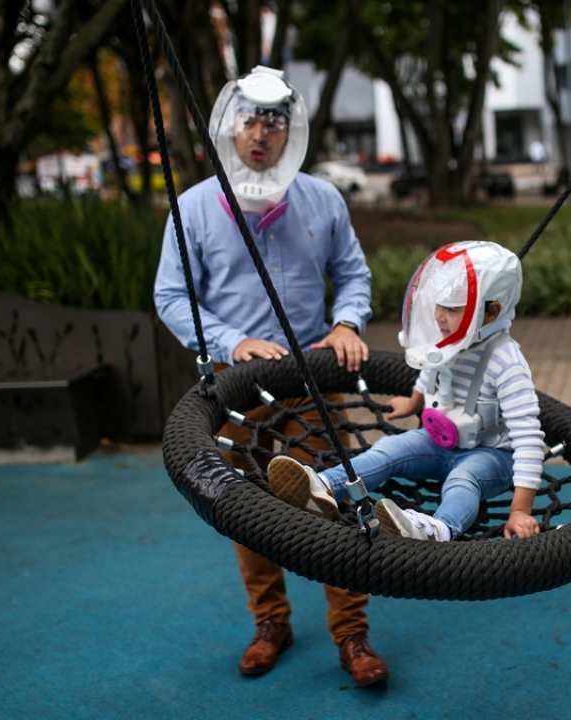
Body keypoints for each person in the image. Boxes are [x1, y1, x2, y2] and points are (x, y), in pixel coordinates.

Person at [153, 66, 388, 687]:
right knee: (247, 507)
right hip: (236, 385)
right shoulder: (193, 207)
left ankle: (352, 632)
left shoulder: (323, 199)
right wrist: (231, 342)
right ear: (230, 126)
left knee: (334, 501)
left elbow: (353, 274)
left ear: (292, 130)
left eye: (274, 122)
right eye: (249, 120)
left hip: (313, 379)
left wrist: (347, 322)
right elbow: (171, 295)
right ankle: (270, 622)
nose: (260, 134)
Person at [268, 240, 545, 543]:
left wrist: (521, 509)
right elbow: (432, 368)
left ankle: (438, 530)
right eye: (438, 305)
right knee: (388, 450)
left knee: (463, 479)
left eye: (452, 308)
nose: (439, 316)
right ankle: (324, 488)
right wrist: (414, 401)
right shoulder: (450, 339)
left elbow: (529, 438)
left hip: (493, 455)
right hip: (439, 442)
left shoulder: (506, 362)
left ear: (491, 312)